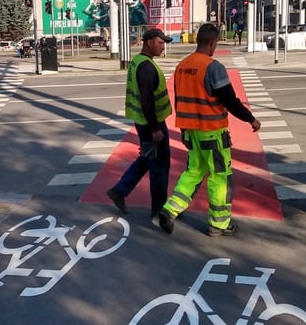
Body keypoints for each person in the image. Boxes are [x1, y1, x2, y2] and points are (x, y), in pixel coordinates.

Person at [157, 23, 261, 237]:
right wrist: (251, 119)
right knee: (220, 176)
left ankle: (170, 210)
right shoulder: (213, 67)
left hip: (190, 132)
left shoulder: (182, 66)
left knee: (193, 172)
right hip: (212, 131)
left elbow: (180, 100)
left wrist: (185, 130)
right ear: (212, 42)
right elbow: (230, 101)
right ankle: (219, 224)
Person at [107, 28, 173, 224]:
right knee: (160, 166)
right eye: (161, 43)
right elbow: (147, 100)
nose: (163, 47)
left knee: (147, 158)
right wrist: (155, 130)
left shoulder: (138, 62)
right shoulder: (145, 67)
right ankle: (158, 210)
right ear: (149, 42)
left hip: (145, 122)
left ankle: (119, 191)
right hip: (151, 124)